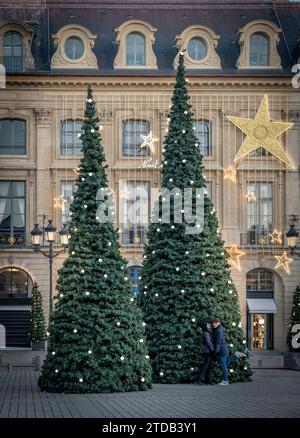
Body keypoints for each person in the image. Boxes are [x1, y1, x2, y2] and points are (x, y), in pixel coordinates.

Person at [196, 321, 214, 385]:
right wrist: (212, 350)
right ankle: (200, 380)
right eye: (208, 325)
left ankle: (208, 381)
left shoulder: (204, 332)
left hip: (206, 351)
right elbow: (208, 342)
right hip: (208, 351)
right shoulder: (206, 333)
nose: (209, 326)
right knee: (206, 366)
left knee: (208, 366)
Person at [212, 318, 229, 385]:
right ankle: (234, 356)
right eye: (213, 323)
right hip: (223, 348)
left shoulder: (219, 330)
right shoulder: (219, 329)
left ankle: (225, 381)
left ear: (218, 323)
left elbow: (218, 342)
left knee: (223, 365)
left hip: (222, 349)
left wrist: (216, 351)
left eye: (214, 323)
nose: (213, 324)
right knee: (224, 363)